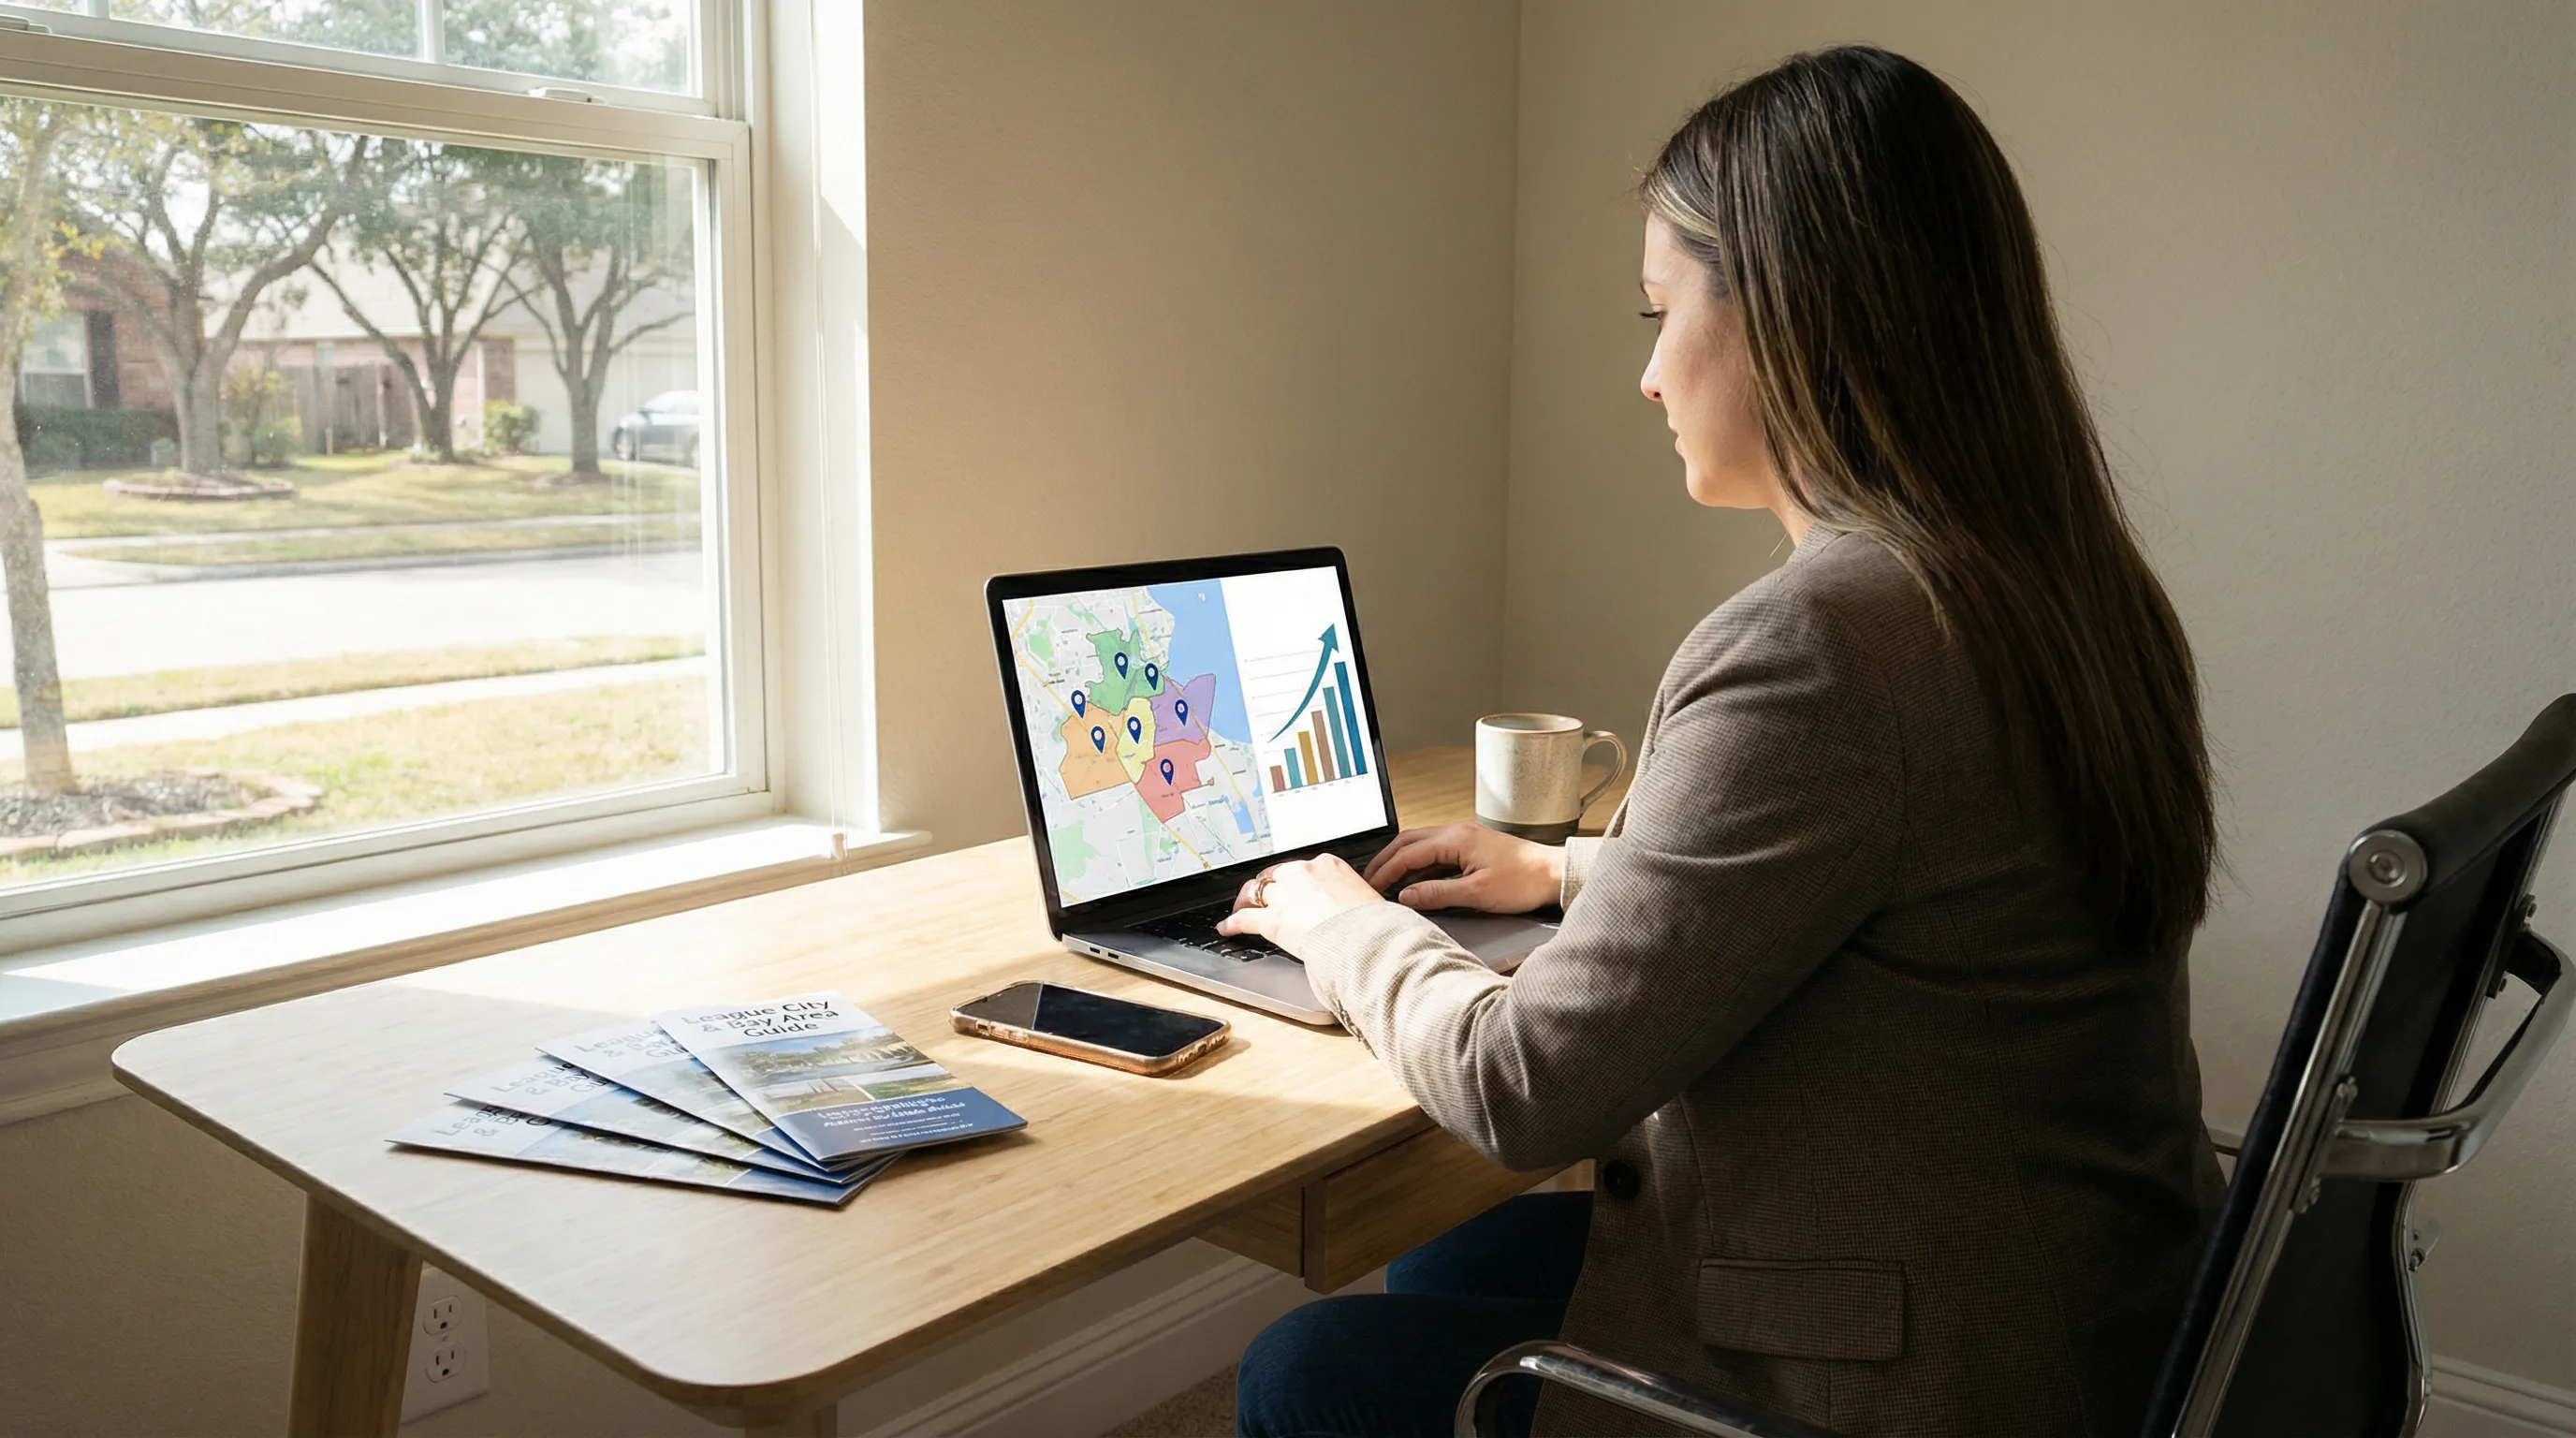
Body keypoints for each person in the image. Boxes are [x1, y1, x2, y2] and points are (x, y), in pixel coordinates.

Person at [1220, 44, 2226, 1438]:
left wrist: (1338, 923)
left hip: (1913, 1381)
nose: (1645, 377)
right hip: (2077, 1309)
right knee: (1453, 1258)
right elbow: (1909, 879)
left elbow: (1523, 1090)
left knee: (1299, 1372)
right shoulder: (2068, 586)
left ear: (1798, 318)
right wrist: (1569, 877)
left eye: (1660, 311)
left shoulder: (1821, 643)